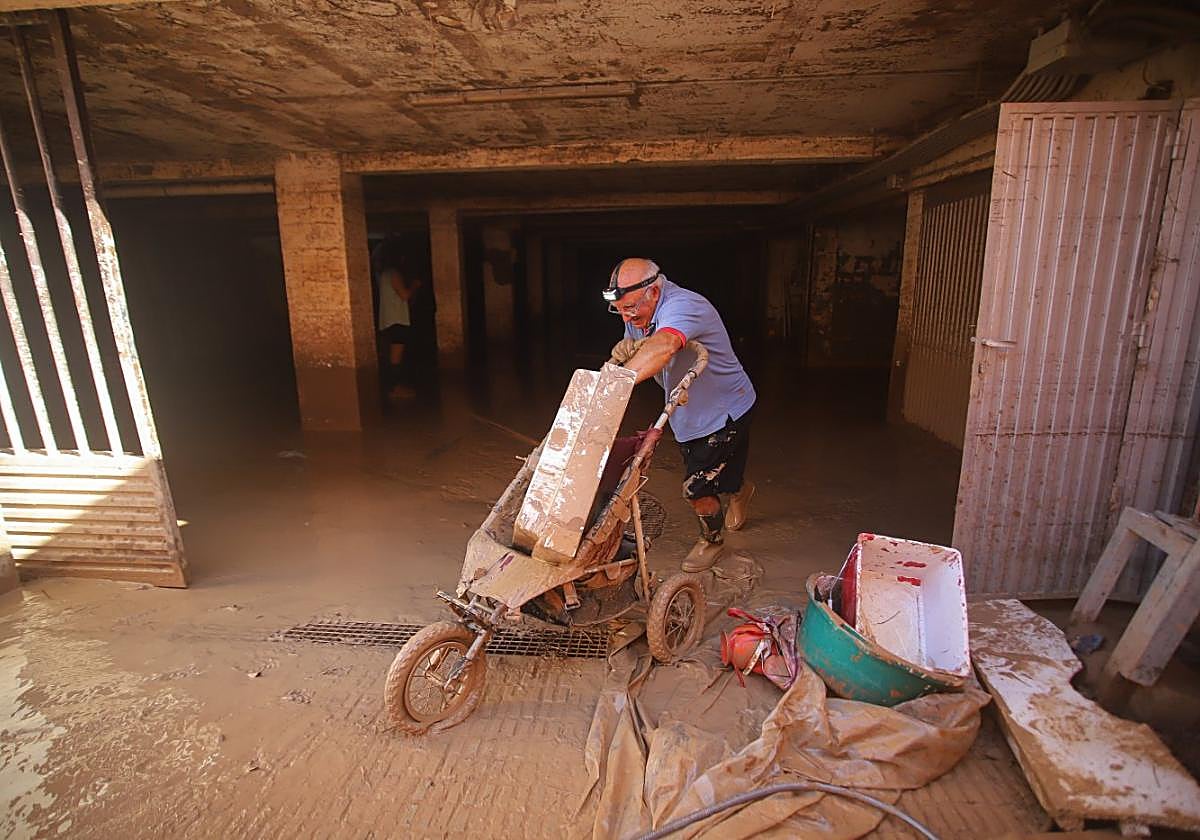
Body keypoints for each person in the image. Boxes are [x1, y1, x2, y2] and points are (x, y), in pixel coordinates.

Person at [605, 257, 757, 572]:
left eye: (630, 308)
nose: (626, 316)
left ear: (655, 293)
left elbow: (663, 345)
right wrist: (627, 347)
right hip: (689, 411)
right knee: (715, 468)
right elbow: (642, 340)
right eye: (619, 309)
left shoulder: (686, 305)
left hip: (723, 410)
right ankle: (739, 488)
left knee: (696, 486)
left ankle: (712, 541)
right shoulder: (635, 310)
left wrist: (612, 387)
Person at [372, 235, 427, 401]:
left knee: (394, 356)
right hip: (396, 320)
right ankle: (395, 389)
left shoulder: (384, 274)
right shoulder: (393, 273)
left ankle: (395, 387)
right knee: (396, 358)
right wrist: (415, 286)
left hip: (390, 319)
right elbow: (404, 295)